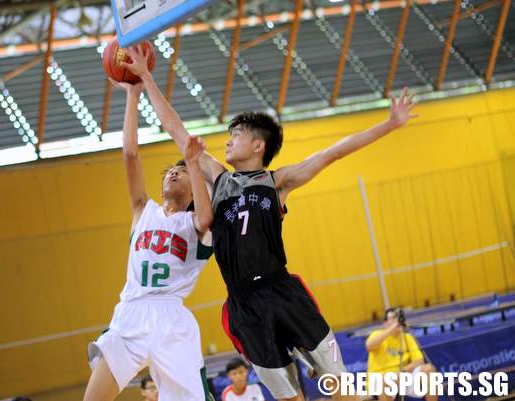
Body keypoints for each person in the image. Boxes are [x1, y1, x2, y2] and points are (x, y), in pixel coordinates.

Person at [121, 45, 417, 401]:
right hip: (244, 305)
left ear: (258, 145)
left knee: (339, 388)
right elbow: (175, 128)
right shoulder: (218, 179)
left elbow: (334, 152)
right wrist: (147, 77)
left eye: (237, 134)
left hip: (282, 291)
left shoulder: (277, 182)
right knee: (291, 398)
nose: (228, 140)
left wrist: (390, 124)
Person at [83, 79, 214, 401]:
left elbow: (206, 218)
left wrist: (193, 162)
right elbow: (130, 155)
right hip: (130, 312)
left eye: (180, 172)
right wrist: (132, 94)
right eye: (170, 170)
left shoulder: (197, 224)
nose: (173, 172)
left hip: (171, 319)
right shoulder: (144, 210)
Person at [366, 309, 438, 401]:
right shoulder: (377, 334)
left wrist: (401, 372)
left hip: (401, 376)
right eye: (392, 318)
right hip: (379, 380)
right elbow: (369, 346)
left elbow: (419, 361)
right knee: (385, 380)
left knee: (429, 369)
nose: (397, 320)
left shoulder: (407, 337)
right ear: (385, 323)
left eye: (397, 318)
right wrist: (392, 328)